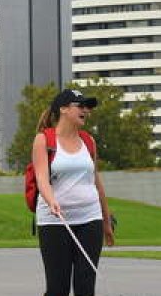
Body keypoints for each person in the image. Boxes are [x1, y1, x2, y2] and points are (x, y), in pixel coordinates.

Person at [32, 88, 114, 296]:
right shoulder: (44, 140)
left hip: (90, 219)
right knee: (57, 289)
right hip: (55, 222)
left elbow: (96, 181)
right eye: (81, 106)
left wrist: (106, 221)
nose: (87, 111)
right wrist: (51, 201)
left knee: (86, 287)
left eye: (88, 107)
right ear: (63, 109)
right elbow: (41, 178)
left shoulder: (89, 141)